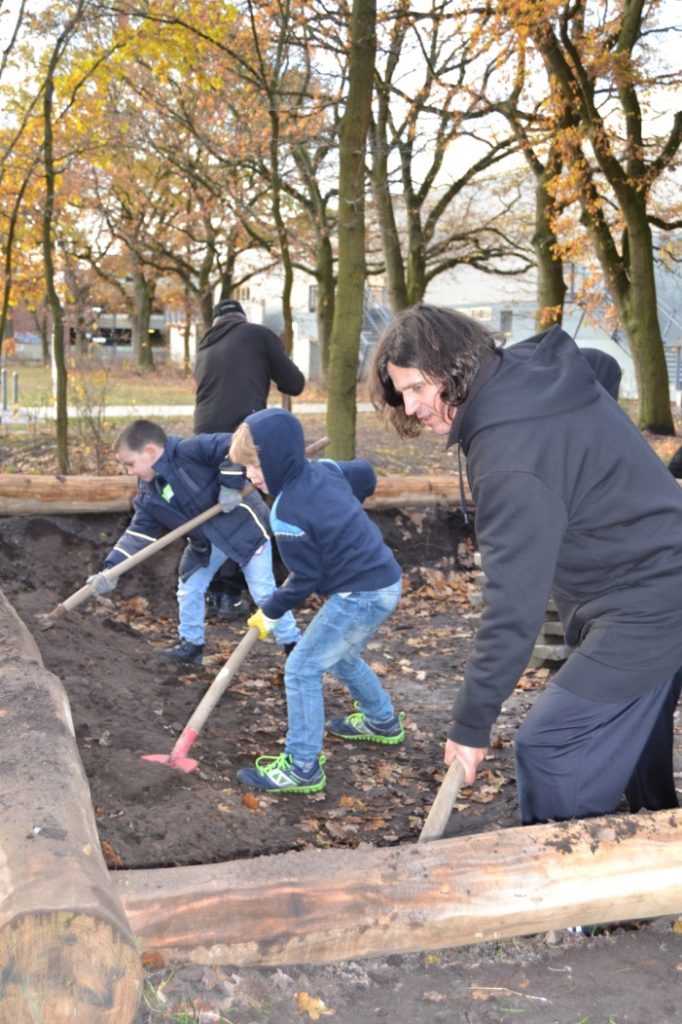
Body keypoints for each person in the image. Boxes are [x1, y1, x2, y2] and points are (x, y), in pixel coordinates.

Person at [370, 304, 682, 825]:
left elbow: (513, 606)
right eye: (402, 393)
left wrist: (470, 725)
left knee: (551, 747)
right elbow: (596, 369)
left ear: (455, 367)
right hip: (634, 585)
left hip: (652, 598)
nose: (412, 406)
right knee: (634, 735)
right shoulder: (523, 380)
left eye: (418, 387)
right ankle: (660, 854)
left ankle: (564, 894)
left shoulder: (511, 454)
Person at [228, 408, 404, 794]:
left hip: (360, 593)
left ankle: (302, 766)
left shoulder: (287, 511)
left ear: (278, 458)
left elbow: (306, 578)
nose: (251, 477)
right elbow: (365, 474)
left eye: (255, 466)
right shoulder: (324, 470)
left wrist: (270, 611)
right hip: (386, 581)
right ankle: (382, 721)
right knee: (340, 657)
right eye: (245, 469)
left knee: (302, 668)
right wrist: (340, 509)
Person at [86, 418, 300, 665]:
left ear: (150, 452)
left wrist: (230, 485)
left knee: (263, 592)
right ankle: (192, 645)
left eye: (130, 464)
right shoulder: (149, 494)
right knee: (190, 587)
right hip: (205, 543)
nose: (129, 472)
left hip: (244, 532)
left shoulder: (190, 451)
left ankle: (293, 644)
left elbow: (232, 447)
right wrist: (112, 569)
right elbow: (138, 534)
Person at [194, 297, 306, 621]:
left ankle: (215, 592)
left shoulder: (203, 348)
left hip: (202, 440)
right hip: (238, 438)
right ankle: (229, 594)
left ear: (216, 323)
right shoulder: (258, 335)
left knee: (219, 510)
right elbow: (294, 383)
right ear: (241, 318)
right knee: (243, 513)